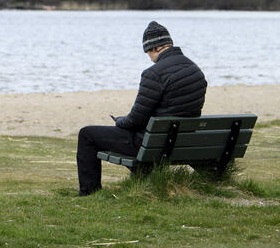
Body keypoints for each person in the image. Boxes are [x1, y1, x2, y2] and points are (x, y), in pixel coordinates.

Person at [75, 21, 207, 196]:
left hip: (152, 144)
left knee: (87, 134)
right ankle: (140, 184)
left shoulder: (153, 74)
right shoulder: (195, 70)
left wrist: (120, 121)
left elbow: (136, 119)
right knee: (145, 132)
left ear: (155, 48)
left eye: (147, 52)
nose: (149, 57)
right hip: (180, 142)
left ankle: (89, 193)